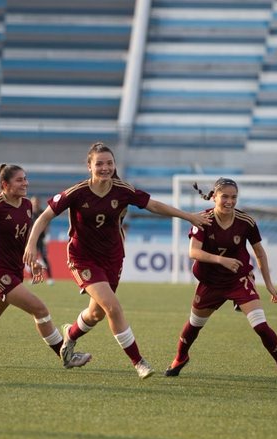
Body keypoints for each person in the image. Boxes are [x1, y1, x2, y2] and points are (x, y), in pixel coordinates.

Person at [24, 142, 211, 379]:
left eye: (109, 163)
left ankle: (70, 336)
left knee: (96, 314)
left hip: (112, 258)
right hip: (83, 258)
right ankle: (138, 362)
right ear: (89, 166)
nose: (105, 168)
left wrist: (188, 216)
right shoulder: (76, 192)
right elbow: (45, 216)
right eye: (99, 163)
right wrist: (31, 245)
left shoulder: (123, 190)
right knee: (112, 306)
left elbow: (153, 205)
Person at [0, 164, 92, 370]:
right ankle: (66, 355)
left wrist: (33, 262)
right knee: (39, 309)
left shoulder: (26, 205)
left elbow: (22, 239)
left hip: (15, 270)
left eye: (25, 179)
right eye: (19, 180)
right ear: (5, 184)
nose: (25, 183)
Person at [164, 178, 277, 381]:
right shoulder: (203, 219)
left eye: (234, 197)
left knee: (261, 325)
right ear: (214, 197)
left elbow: (260, 253)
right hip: (210, 283)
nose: (229, 201)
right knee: (194, 325)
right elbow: (193, 252)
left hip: (239, 279)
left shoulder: (246, 222)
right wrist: (221, 260)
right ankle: (181, 357)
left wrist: (269, 285)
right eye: (225, 196)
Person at [30, 195, 54, 285]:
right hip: (32, 240)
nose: (35, 203)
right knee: (32, 259)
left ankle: (50, 278)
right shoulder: (29, 213)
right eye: (33, 202)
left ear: (38, 203)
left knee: (44, 258)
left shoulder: (42, 212)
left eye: (36, 202)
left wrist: (47, 236)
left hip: (41, 239)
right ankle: (33, 278)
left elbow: (46, 225)